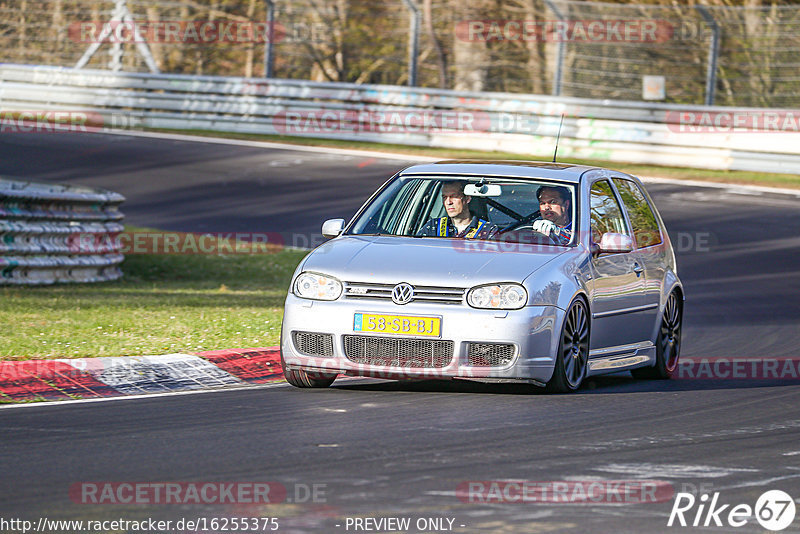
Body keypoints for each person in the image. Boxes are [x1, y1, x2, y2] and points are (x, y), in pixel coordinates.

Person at [417, 181, 497, 239]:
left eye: (453, 196)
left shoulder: (488, 231)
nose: (448, 202)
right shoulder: (432, 226)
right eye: (444, 197)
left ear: (467, 198)